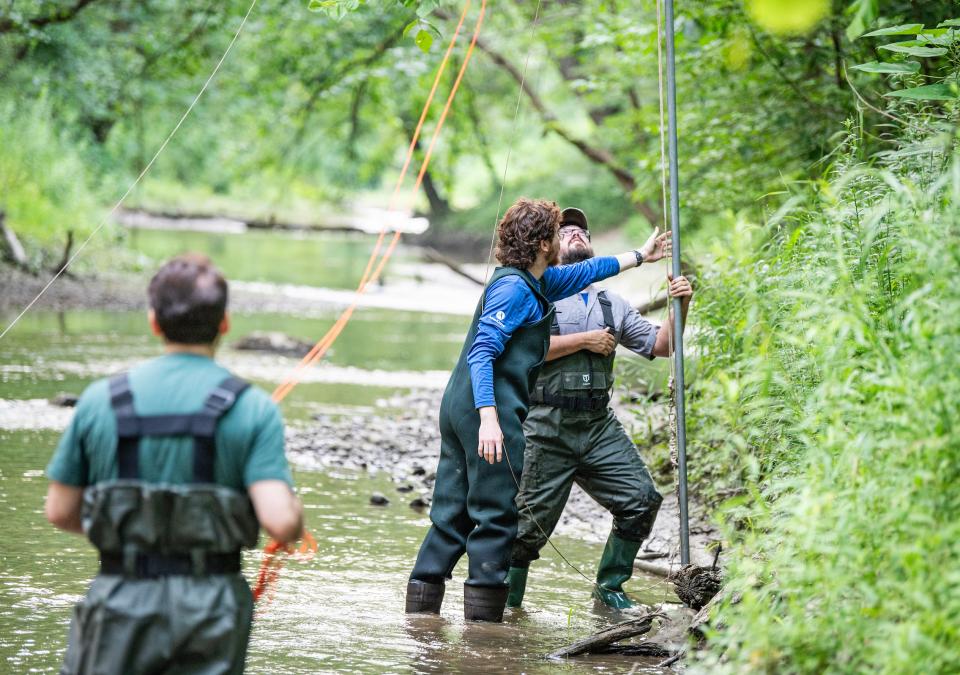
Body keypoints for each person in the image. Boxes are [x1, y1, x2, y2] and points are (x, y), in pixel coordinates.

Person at [405, 197, 665, 623]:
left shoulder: (535, 281)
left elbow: (588, 271)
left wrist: (640, 256)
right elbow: (482, 351)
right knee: (496, 515)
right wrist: (489, 418)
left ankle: (419, 619)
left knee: (451, 514)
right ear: (545, 243)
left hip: (461, 405)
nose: (564, 239)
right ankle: (486, 637)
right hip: (485, 410)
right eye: (557, 231)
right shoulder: (514, 288)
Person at [44, 254, 304, 674]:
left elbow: (60, 512)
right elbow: (279, 521)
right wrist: (294, 515)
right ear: (224, 323)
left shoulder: (100, 400)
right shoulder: (253, 407)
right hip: (213, 609)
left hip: (120, 597)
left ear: (154, 321)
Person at [504, 207, 692, 610]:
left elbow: (661, 346)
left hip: (597, 426)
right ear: (549, 247)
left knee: (641, 500)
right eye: (565, 230)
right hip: (544, 424)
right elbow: (517, 351)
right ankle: (501, 609)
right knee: (525, 531)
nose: (575, 234)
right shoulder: (534, 294)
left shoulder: (614, 303)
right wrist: (585, 341)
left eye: (581, 231)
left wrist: (681, 307)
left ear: (592, 245)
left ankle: (610, 589)